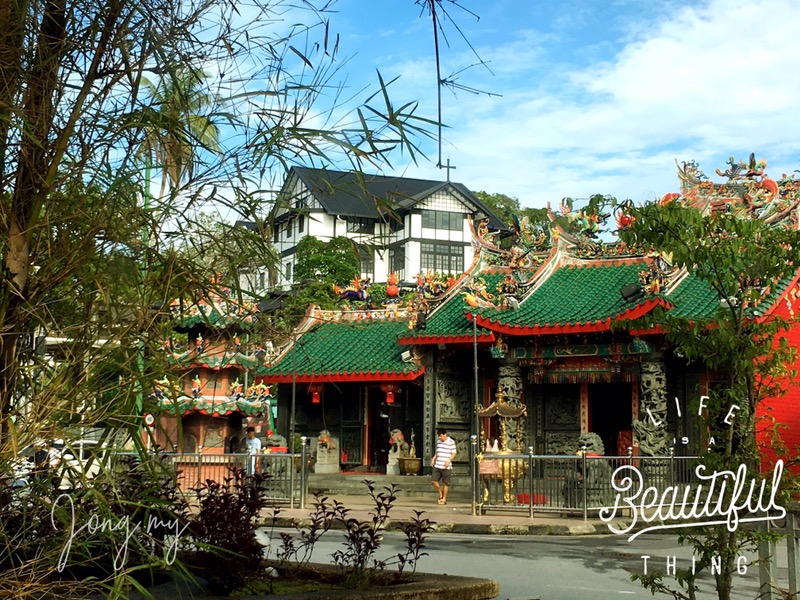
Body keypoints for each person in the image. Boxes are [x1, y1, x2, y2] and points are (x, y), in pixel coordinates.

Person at [431, 428, 456, 505]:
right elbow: (437, 451)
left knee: (445, 483)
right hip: (438, 465)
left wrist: (448, 460)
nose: (440, 438)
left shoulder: (451, 442)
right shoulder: (438, 442)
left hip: (446, 466)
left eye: (441, 436)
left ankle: (444, 498)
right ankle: (440, 493)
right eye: (439, 436)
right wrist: (433, 459)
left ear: (445, 435)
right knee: (434, 480)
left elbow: (454, 453)